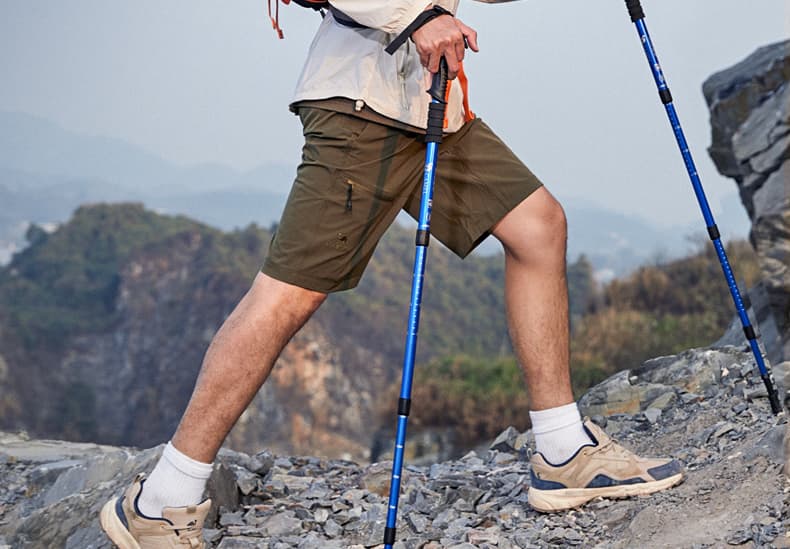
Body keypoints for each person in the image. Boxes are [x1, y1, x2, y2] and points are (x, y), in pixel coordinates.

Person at [99, 2, 683, 547]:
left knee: (538, 227)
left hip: (432, 104)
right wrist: (418, 14)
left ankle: (562, 451)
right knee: (286, 299)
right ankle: (161, 502)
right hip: (361, 110)